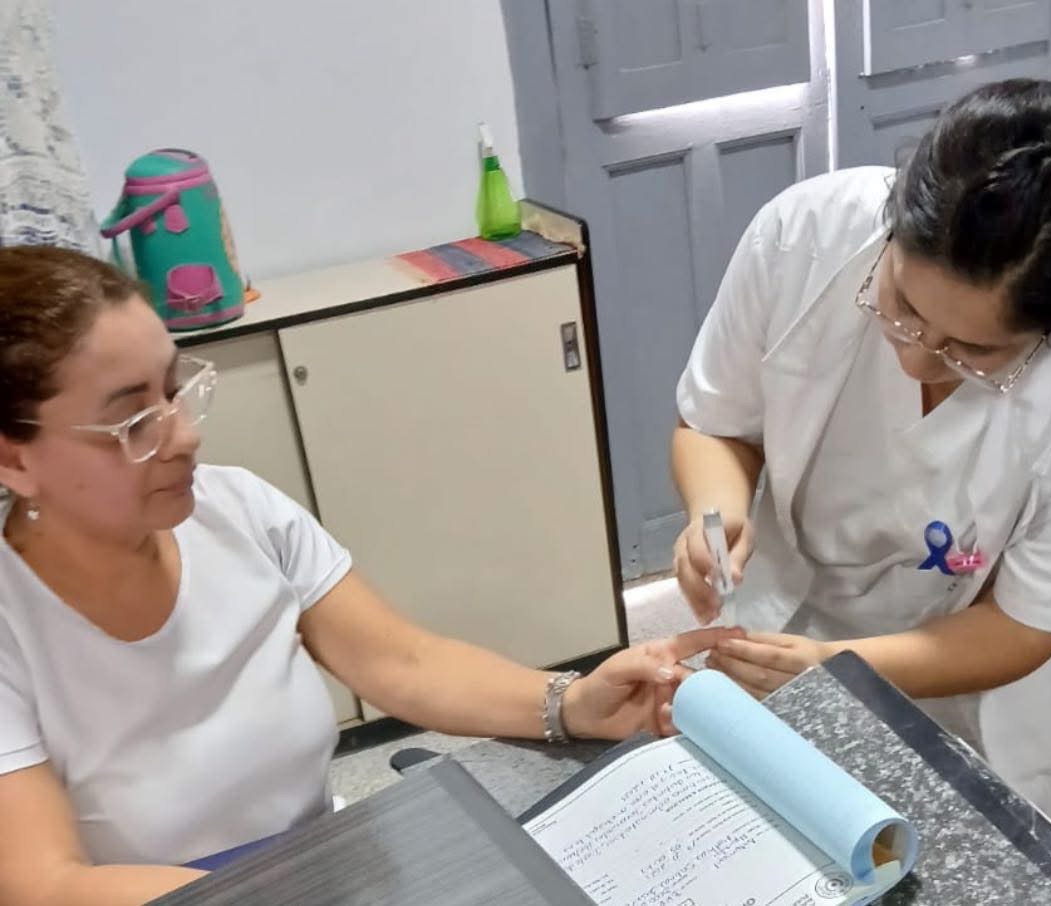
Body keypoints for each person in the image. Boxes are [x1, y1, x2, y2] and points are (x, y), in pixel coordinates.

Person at [0, 246, 741, 905]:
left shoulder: (239, 510)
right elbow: (47, 884)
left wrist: (572, 704)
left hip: (323, 867)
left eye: (174, 391)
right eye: (134, 423)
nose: (185, 435)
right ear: (14, 459)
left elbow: (400, 662)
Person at [671, 78, 1051, 871]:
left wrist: (842, 670)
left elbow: (1022, 626)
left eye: (972, 351)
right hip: (800, 625)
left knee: (992, 866)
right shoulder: (804, 237)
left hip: (1004, 687)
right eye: (899, 306)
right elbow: (714, 421)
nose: (915, 356)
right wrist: (718, 507)